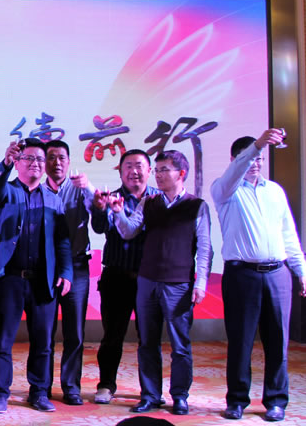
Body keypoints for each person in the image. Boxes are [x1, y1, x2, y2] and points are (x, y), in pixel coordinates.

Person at [211, 131, 306, 422]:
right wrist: (257, 145)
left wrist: (301, 271)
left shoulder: (275, 191)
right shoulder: (225, 189)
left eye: (260, 158)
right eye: (250, 157)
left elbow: (288, 234)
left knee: (278, 342)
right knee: (241, 341)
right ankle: (237, 400)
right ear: (235, 160)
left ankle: (276, 401)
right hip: (241, 275)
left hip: (278, 274)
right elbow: (234, 174)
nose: (256, 162)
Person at [110, 150, 212, 416]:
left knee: (180, 344)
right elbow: (129, 231)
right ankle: (150, 395)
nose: (158, 175)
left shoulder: (196, 205)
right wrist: (118, 213)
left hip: (179, 284)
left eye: (164, 170)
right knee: (147, 342)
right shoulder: (149, 202)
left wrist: (201, 282)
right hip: (147, 281)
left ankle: (180, 396)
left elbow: (204, 247)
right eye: (157, 170)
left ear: (181, 173)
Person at [0, 138, 73, 413]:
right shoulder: (7, 192)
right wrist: (4, 164)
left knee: (43, 341)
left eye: (40, 159)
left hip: (43, 280)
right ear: (18, 163)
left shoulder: (54, 200)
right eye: (29, 158)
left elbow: (62, 241)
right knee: (3, 340)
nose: (36, 163)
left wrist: (66, 272)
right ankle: (1, 393)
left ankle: (39, 392)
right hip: (9, 279)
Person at [90, 149, 159, 404]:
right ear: (120, 172)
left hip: (149, 278)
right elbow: (99, 227)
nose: (134, 171)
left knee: (149, 337)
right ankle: (106, 385)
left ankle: (150, 390)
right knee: (112, 336)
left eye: (139, 166)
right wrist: (99, 209)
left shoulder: (159, 199)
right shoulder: (112, 198)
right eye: (128, 166)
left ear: (149, 171)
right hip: (116, 277)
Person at [43, 140, 95, 405]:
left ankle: (71, 387)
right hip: (45, 268)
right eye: (51, 157)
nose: (57, 163)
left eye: (61, 157)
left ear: (69, 161)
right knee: (45, 331)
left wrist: (90, 190)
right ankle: (41, 387)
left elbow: (99, 218)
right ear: (44, 162)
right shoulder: (37, 190)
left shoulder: (81, 189)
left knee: (74, 331)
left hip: (76, 266)